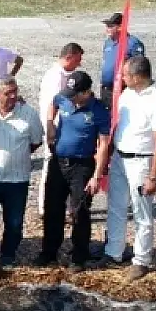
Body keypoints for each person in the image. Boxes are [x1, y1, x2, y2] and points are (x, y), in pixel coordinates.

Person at [100, 57, 156, 282]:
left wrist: (154, 175)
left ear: (138, 76)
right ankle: (114, 251)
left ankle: (141, 259)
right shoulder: (127, 94)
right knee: (116, 206)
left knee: (142, 212)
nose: (121, 78)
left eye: (125, 75)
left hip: (141, 161)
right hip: (120, 157)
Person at [36, 71, 110, 271]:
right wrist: (50, 124)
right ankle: (49, 251)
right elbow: (54, 102)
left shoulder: (99, 111)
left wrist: (97, 176)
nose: (71, 98)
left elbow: (103, 144)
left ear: (87, 92)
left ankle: (79, 255)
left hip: (82, 165)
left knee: (79, 211)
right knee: (52, 208)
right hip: (58, 162)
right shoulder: (65, 98)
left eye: (75, 94)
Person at [0, 78, 42, 268]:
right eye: (7, 93)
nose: (13, 96)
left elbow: (36, 141)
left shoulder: (29, 114)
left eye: (15, 91)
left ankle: (8, 255)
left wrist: (16, 154)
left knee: (14, 222)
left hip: (18, 179)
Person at [37, 43, 85, 216]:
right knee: (51, 166)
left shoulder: (63, 75)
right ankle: (46, 206)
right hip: (56, 129)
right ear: (69, 57)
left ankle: (60, 204)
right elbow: (54, 106)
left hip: (60, 128)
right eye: (78, 59)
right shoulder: (55, 78)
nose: (79, 63)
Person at [100, 12, 146, 109]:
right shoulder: (108, 42)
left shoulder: (132, 43)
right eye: (107, 26)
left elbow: (138, 66)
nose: (107, 29)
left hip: (123, 89)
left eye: (111, 26)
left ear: (120, 27)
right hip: (107, 89)